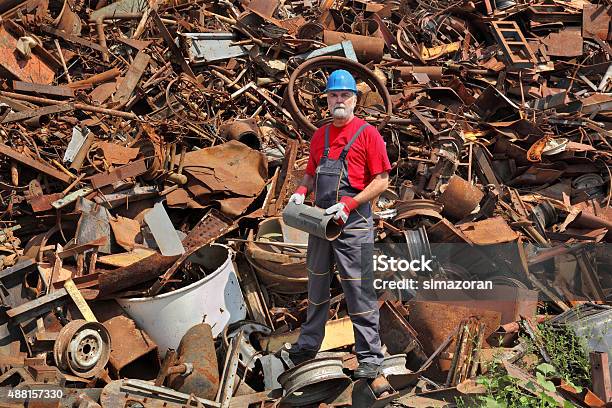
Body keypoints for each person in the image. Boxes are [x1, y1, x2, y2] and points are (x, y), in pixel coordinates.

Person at [281, 69, 391, 379]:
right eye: (333, 95)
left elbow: (381, 181)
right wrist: (301, 194)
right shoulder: (321, 134)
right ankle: (307, 346)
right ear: (327, 100)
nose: (338, 100)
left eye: (344, 95)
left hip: (354, 225)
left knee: (359, 291)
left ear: (355, 100)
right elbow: (311, 174)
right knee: (316, 287)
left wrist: (350, 203)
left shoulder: (368, 134)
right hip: (320, 223)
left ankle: (370, 356)